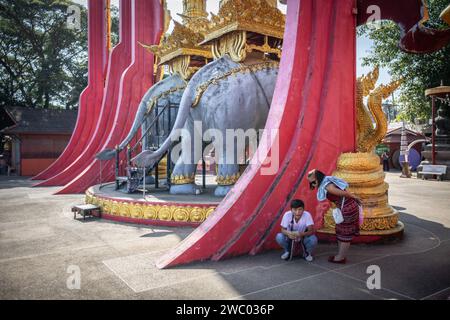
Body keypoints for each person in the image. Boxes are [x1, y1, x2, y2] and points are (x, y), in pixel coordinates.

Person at [307, 169, 361, 264]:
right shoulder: (327, 181)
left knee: (344, 233)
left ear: (318, 179)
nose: (312, 185)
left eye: (313, 182)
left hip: (347, 209)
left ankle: (341, 257)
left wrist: (355, 197)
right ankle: (340, 255)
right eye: (310, 183)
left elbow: (344, 193)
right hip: (346, 208)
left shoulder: (328, 186)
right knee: (341, 231)